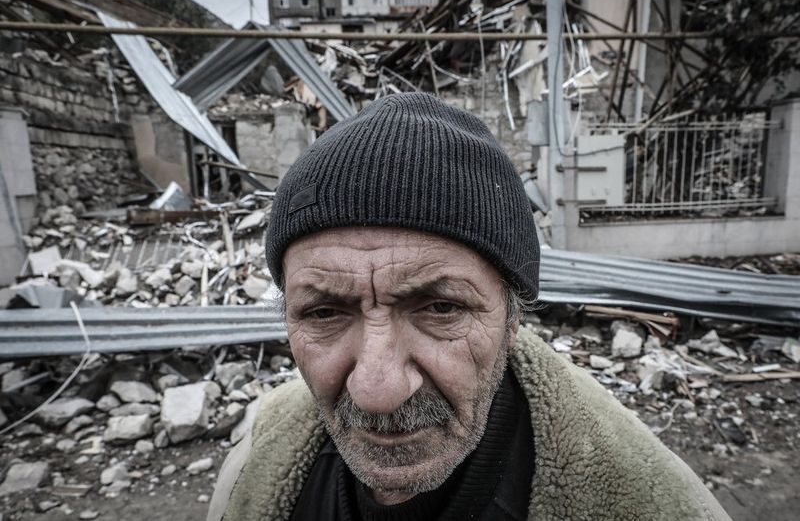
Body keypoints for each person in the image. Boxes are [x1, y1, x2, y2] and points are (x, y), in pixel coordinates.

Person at [207, 93, 730, 521]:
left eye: (440, 308)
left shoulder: (652, 505)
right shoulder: (252, 472)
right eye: (323, 314)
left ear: (513, 318)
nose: (377, 390)